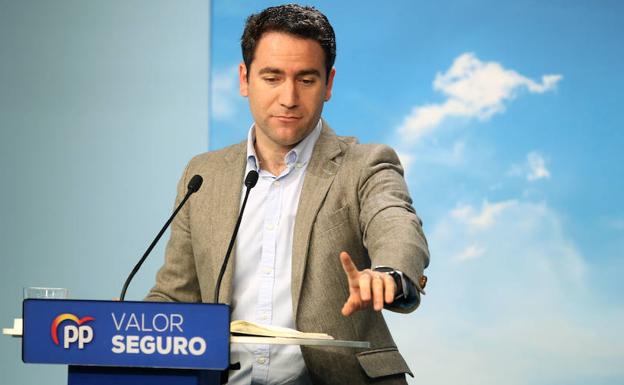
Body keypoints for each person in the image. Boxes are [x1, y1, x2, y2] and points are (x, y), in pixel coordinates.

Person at [146, 4, 429, 385]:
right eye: (273, 77)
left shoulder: (365, 164)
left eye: (306, 80)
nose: (289, 97)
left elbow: (396, 222)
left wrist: (389, 273)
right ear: (245, 79)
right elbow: (176, 297)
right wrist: (117, 329)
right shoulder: (203, 175)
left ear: (328, 84)